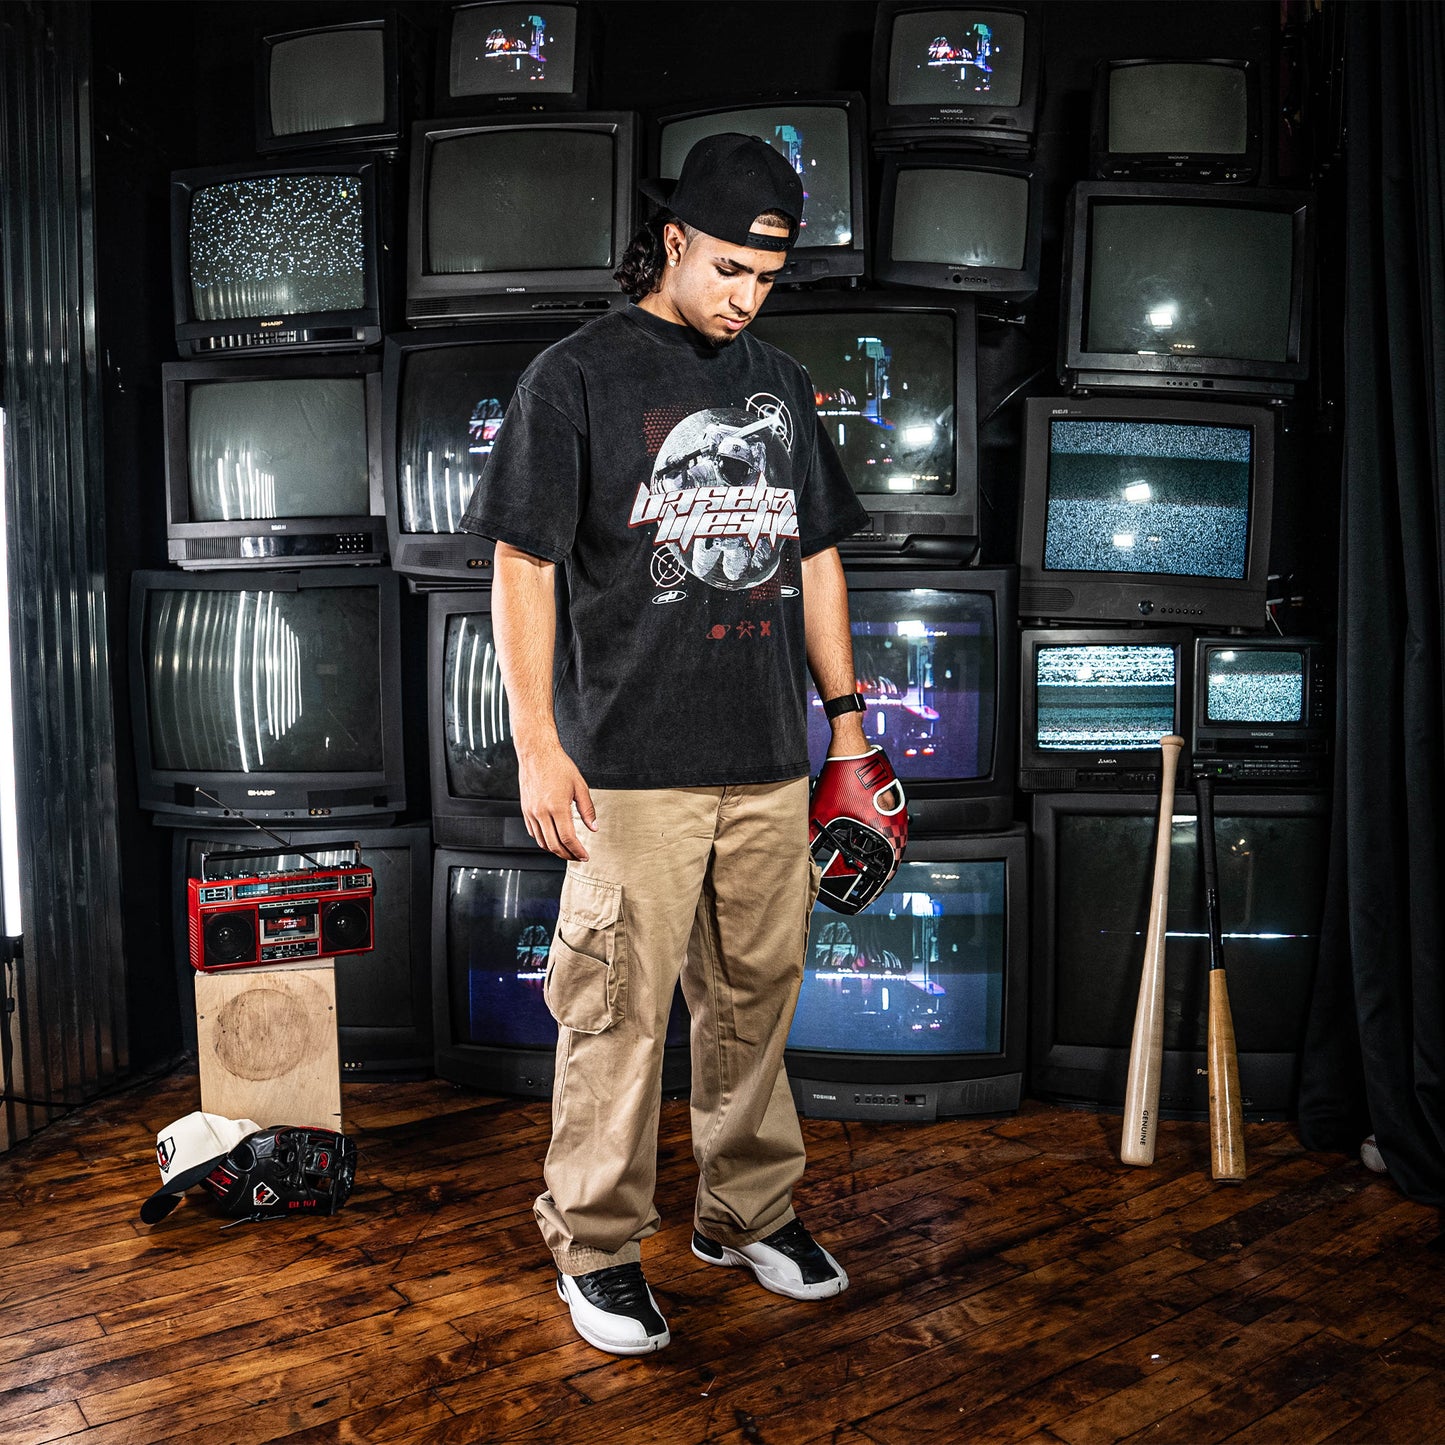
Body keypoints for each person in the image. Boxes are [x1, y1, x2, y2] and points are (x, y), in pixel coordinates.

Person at [461, 132, 873, 1357]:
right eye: (730, 268)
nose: (746, 297)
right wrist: (536, 741)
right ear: (677, 237)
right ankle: (594, 1245)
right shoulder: (574, 379)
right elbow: (520, 563)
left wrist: (846, 724)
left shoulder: (781, 386)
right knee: (616, 1012)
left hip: (764, 753)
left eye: (766, 279)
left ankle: (746, 1212)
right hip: (628, 764)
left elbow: (813, 557)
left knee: (754, 1000)